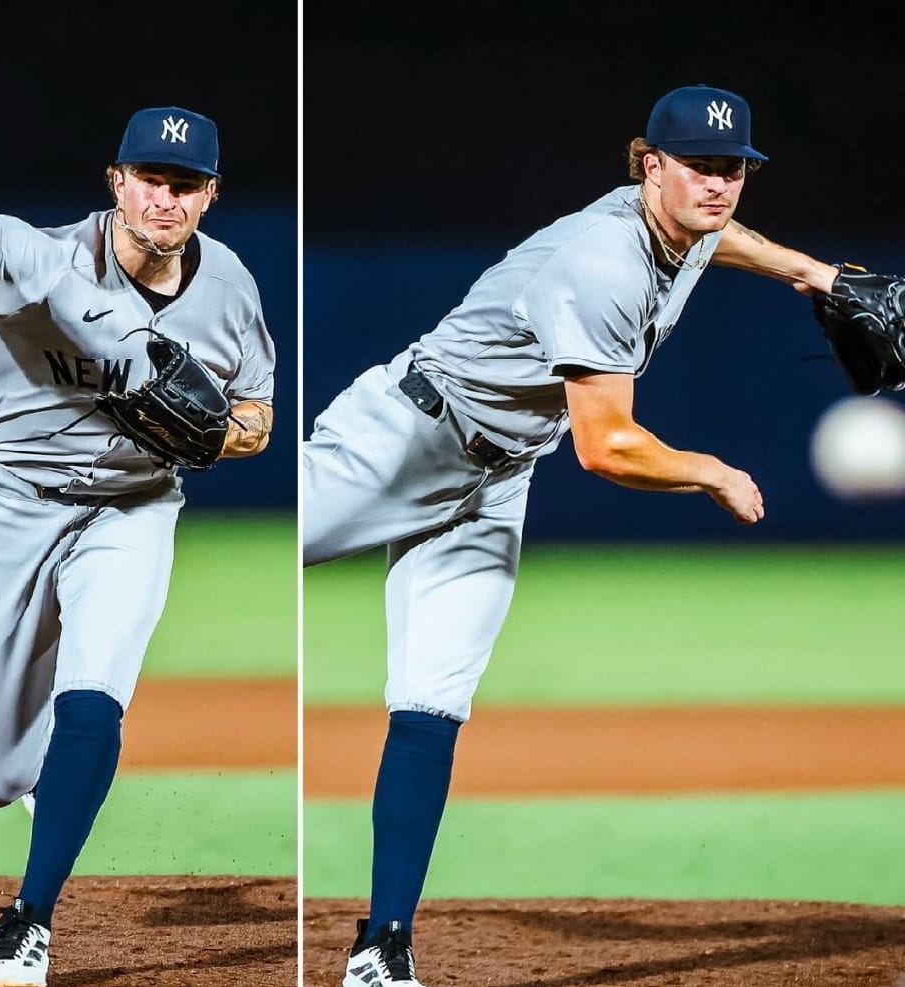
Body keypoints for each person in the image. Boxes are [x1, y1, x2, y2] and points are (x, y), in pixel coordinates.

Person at [302, 83, 847, 987]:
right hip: (398, 442)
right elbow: (606, 446)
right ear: (650, 166)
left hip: (496, 475)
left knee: (432, 702)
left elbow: (721, 240)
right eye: (700, 167)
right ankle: (71, 683)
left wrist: (813, 274)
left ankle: (381, 945)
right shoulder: (605, 263)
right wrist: (712, 468)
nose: (718, 186)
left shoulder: (685, 219)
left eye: (734, 169)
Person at [0, 105, 275, 987]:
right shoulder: (36, 256)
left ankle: (27, 919)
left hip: (132, 510)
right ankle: (34, 772)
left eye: (186, 184)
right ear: (115, 183)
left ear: (212, 197)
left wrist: (219, 433)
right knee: (1, 772)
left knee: (95, 696)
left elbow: (259, 419)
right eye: (150, 178)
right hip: (10, 509)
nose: (167, 197)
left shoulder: (229, 283)